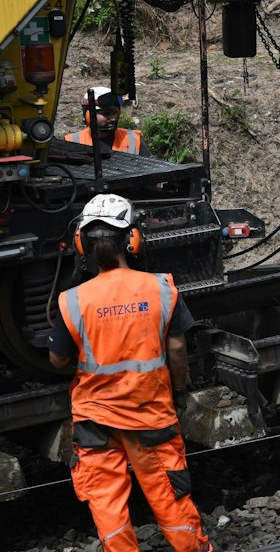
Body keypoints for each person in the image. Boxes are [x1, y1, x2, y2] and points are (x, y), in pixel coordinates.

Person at [45, 194, 213, 552]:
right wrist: (179, 391)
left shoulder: (72, 300)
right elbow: (177, 350)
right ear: (132, 240)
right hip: (149, 414)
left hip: (95, 419)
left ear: (82, 244)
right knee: (169, 495)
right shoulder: (160, 289)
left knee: (106, 502)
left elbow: (57, 360)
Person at [64, 86, 144, 155]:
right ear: (88, 115)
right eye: (106, 114)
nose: (113, 118)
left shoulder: (134, 140)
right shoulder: (71, 142)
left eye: (115, 113)